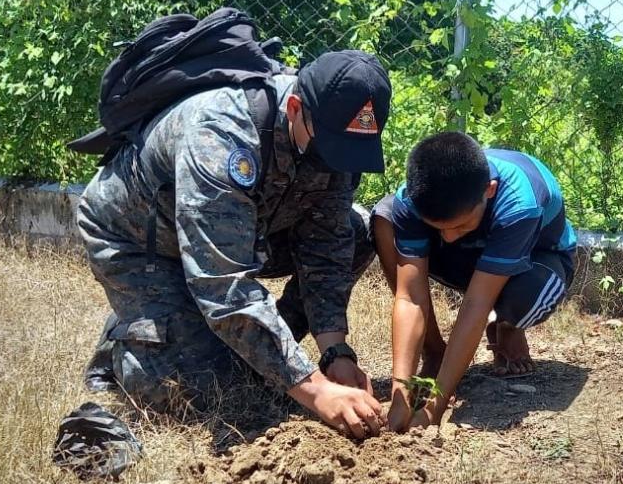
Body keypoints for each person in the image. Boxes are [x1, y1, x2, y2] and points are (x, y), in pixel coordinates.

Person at [77, 49, 392, 439]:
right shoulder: (221, 135)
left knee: (356, 231)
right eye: (331, 148)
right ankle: (135, 335)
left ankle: (234, 344)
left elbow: (325, 252)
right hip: (142, 241)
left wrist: (335, 353)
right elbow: (222, 282)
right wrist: (314, 389)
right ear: (295, 108)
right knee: (195, 396)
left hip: (242, 232)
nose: (337, 164)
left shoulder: (332, 139)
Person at [370, 132, 577, 431]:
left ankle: (507, 325)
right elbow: (410, 298)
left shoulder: (520, 202)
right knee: (385, 217)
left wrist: (433, 408)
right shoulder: (414, 198)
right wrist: (400, 393)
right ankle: (435, 351)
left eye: (461, 224)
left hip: (537, 261)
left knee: (524, 297)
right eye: (438, 228)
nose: (449, 237)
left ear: (489, 191)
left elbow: (476, 305)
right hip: (474, 256)